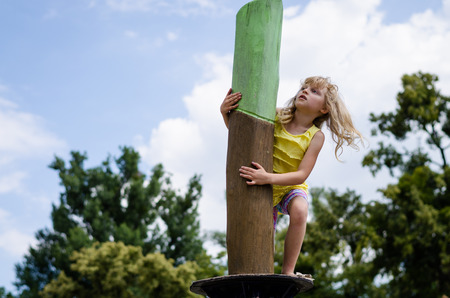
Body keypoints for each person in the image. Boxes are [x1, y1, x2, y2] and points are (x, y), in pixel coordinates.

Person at [220, 76, 363, 277]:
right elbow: (243, 136)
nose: (304, 91)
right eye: (304, 87)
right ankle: (260, 276)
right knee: (260, 238)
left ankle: (288, 270)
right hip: (263, 188)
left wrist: (267, 178)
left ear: (324, 109)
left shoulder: (315, 136)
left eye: (314, 91)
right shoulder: (278, 115)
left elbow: (301, 175)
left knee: (300, 211)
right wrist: (225, 113)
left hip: (288, 187)